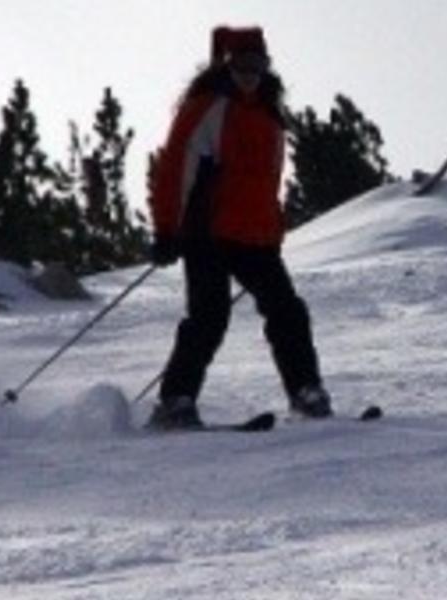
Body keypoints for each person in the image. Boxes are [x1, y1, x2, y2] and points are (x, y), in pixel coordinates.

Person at [146, 26, 331, 429]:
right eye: (242, 64)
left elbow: (269, 180)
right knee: (209, 317)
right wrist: (166, 229)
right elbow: (176, 168)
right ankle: (175, 401)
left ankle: (306, 392)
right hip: (208, 231)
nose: (250, 73)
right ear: (226, 66)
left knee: (287, 311)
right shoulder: (208, 107)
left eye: (258, 64)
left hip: (256, 236)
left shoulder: (269, 115)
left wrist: (273, 229)